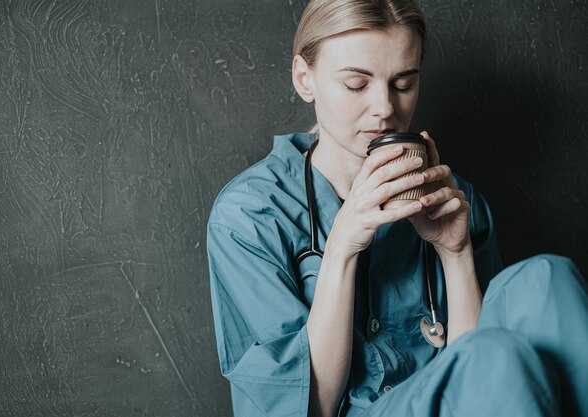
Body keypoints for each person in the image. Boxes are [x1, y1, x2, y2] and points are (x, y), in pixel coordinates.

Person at [206, 0, 588, 416]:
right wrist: (341, 249)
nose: (385, 108)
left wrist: (455, 254)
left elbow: (489, 383)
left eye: (403, 84)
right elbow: (303, 408)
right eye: (356, 84)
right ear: (304, 78)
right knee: (493, 356)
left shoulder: (454, 200)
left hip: (460, 397)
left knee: (547, 277)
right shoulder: (249, 215)